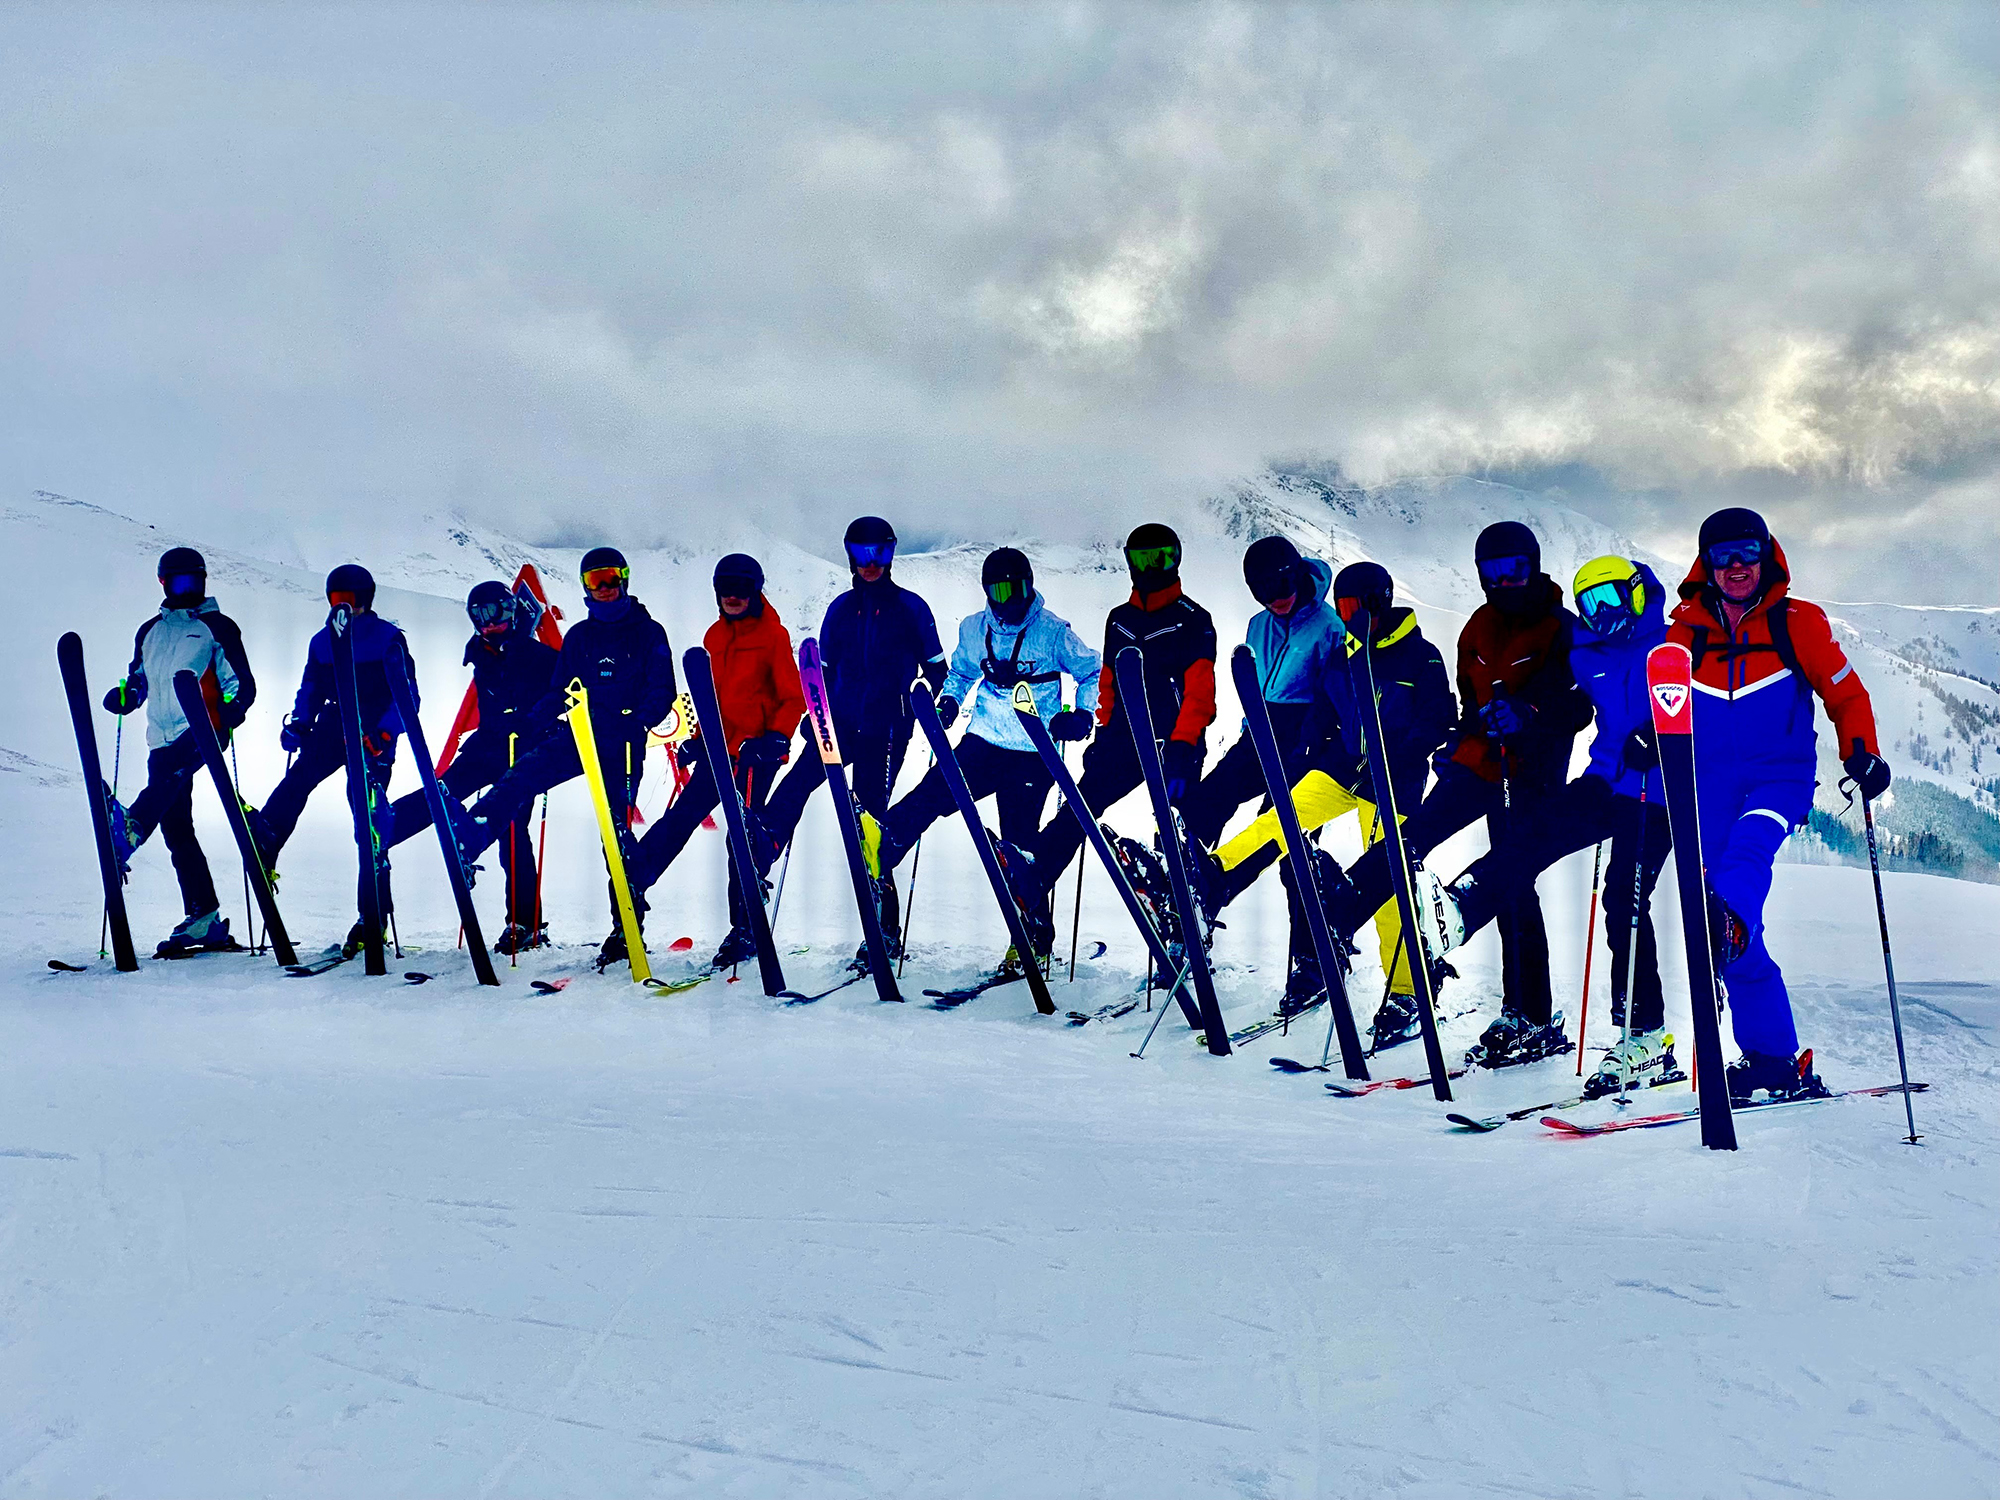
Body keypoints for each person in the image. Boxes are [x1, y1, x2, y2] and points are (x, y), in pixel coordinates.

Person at [1307, 523, 1594, 1061]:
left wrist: (1530, 713)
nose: (1504, 581)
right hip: (1478, 762)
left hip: (1531, 772)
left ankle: (1529, 1014)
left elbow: (1579, 706)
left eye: (1515, 569)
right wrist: (1458, 740)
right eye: (1493, 571)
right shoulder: (1477, 628)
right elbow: (1468, 706)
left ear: (1533, 566)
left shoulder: (1562, 628)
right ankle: (1345, 904)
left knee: (1514, 881)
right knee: (1413, 835)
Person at [1413, 556, 1677, 1093]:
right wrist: (1517, 714)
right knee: (1532, 834)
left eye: (1611, 598)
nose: (1601, 613)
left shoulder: (1675, 645)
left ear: (1637, 593)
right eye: (1590, 604)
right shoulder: (1587, 652)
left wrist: (1661, 736)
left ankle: (1646, 1037)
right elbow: (1567, 703)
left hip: (1663, 794)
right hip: (1607, 781)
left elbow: (1715, 710)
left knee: (1623, 897)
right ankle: (1462, 906)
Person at [1666, 507, 1887, 1103]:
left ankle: (1726, 924)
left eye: (1748, 553)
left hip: (1778, 780)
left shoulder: (1797, 623)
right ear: (1706, 565)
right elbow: (1660, 702)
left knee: (1746, 857)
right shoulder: (1685, 633)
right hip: (1709, 788)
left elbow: (1846, 694)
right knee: (1735, 925)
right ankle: (1772, 1059)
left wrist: (1861, 751)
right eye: (1723, 556)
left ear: (1767, 556)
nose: (1737, 566)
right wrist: (1642, 737)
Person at [1191, 560, 1454, 1030]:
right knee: (1282, 820)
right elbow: (1324, 710)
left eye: (1357, 607)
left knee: (1387, 879)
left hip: (1394, 781)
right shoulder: (1345, 655)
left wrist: (1404, 753)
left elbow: (1439, 717)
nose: (1350, 616)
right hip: (1342, 768)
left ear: (1380, 601)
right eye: (1343, 607)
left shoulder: (1421, 655)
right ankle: (1214, 877)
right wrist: (1309, 747)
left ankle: (1408, 988)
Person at [858, 546, 1099, 964]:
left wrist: (1082, 713)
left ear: (1030, 586)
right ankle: (886, 842)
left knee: (1018, 851)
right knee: (933, 792)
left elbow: (1091, 669)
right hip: (983, 741)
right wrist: (950, 702)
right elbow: (961, 672)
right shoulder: (973, 629)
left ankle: (1032, 939)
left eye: (1017, 589)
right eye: (1000, 591)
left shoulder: (1053, 632)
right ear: (987, 591)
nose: (1009, 599)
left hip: (1032, 750)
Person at [991, 523, 1217, 954]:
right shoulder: (1121, 619)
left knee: (1177, 833)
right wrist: (1104, 733)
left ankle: (1186, 927)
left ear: (1176, 559)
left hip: (1174, 743)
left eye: (1161, 557)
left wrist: (1184, 746)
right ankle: (1036, 874)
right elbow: (1109, 682)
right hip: (1125, 741)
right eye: (1143, 559)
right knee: (1080, 807)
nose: (1152, 568)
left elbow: (1199, 692)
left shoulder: (1193, 619)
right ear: (1130, 562)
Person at [454, 547, 675, 963]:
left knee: (615, 834)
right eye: (595, 580)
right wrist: (532, 721)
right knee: (521, 776)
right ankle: (472, 833)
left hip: (623, 743)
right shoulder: (579, 636)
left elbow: (662, 687)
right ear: (585, 586)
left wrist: (640, 720)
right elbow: (560, 690)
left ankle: (626, 928)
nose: (604, 587)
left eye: (610, 578)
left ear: (624, 579)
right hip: (581, 736)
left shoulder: (648, 632)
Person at [752, 517, 947, 953]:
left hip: (886, 729)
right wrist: (814, 713)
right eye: (861, 553)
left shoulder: (911, 609)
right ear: (850, 556)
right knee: (798, 781)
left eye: (879, 552)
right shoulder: (840, 610)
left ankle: (884, 929)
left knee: (869, 825)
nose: (870, 562)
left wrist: (923, 702)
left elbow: (938, 671)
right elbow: (820, 674)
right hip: (837, 725)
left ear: (891, 554)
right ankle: (765, 842)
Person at [627, 553, 805, 970]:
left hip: (755, 755)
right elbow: (714, 703)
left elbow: (792, 696)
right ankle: (635, 879)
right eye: (726, 589)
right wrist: (697, 741)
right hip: (718, 753)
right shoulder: (714, 636)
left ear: (755, 591)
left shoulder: (773, 636)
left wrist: (777, 737)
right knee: (683, 815)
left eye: (741, 589)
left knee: (739, 838)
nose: (733, 596)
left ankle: (745, 928)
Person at [384, 581, 561, 954]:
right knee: (440, 792)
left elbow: (562, 695)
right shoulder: (479, 654)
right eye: (478, 615)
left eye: (494, 612)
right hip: (487, 747)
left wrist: (542, 728)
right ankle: (387, 826)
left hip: (525, 755)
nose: (488, 622)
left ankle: (525, 923)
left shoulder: (538, 655)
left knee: (513, 829)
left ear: (510, 611)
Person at [246, 564, 411, 954]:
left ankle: (373, 916)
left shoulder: (388, 638)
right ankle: (267, 834)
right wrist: (300, 723)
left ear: (364, 599)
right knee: (299, 778)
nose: (343, 606)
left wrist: (385, 733)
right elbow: (311, 688)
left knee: (367, 820)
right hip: (335, 722)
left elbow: (408, 698)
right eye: (337, 599)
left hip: (371, 732)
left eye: (349, 599)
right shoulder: (322, 642)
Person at [102, 547, 258, 954]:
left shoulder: (216, 626)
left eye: (194, 582)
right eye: (179, 583)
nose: (187, 590)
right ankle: (204, 916)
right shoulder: (149, 632)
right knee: (176, 827)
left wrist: (230, 711)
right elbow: (140, 679)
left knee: (168, 783)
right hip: (161, 736)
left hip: (202, 729)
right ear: (164, 584)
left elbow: (241, 684)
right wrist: (126, 696)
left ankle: (131, 828)